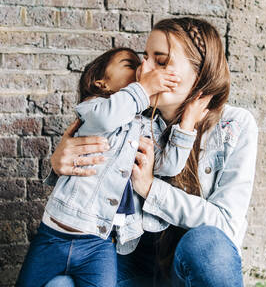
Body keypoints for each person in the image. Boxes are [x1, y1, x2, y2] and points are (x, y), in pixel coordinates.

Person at [46, 17, 259, 287]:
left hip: (188, 267)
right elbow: (88, 153)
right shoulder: (131, 111)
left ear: (199, 73)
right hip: (131, 257)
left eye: (161, 61)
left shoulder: (235, 126)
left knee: (207, 245)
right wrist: (58, 163)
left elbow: (225, 225)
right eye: (144, 58)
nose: (143, 70)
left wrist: (149, 187)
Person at [16, 47, 210, 287]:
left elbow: (168, 165)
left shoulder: (143, 125)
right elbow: (107, 118)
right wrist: (144, 88)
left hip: (100, 243)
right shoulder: (93, 108)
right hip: (53, 235)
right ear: (101, 83)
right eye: (130, 64)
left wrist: (187, 124)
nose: (141, 69)